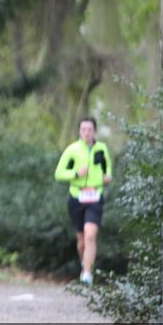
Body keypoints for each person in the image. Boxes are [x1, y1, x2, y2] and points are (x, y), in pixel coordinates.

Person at [54, 117, 112, 285]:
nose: (87, 132)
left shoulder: (101, 149)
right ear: (79, 131)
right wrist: (75, 173)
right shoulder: (72, 150)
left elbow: (107, 171)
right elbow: (58, 173)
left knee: (90, 235)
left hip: (95, 197)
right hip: (76, 198)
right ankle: (84, 263)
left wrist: (106, 177)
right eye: (84, 129)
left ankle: (87, 274)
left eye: (90, 129)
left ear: (95, 131)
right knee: (81, 240)